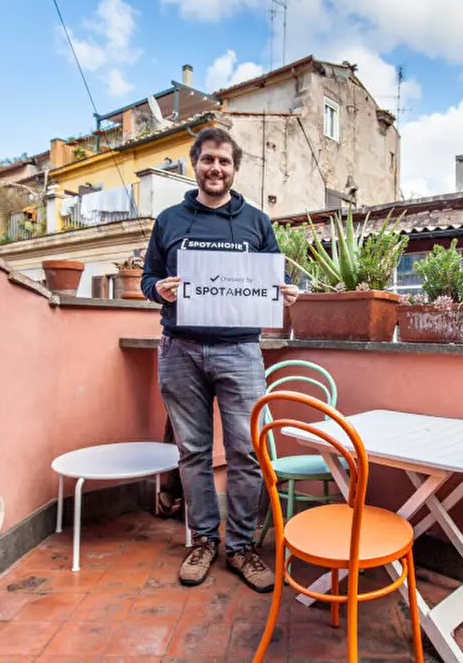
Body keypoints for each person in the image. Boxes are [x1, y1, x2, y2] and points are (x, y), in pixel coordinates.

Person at [141, 127, 299, 593]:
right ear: (195, 164)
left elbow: (273, 279)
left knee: (247, 453)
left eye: (224, 162)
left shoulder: (257, 222)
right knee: (192, 452)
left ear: (234, 169)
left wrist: (284, 293)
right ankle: (203, 540)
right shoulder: (169, 220)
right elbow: (150, 277)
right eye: (208, 160)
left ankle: (242, 546)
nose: (216, 168)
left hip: (241, 351)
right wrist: (158, 289)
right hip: (180, 349)